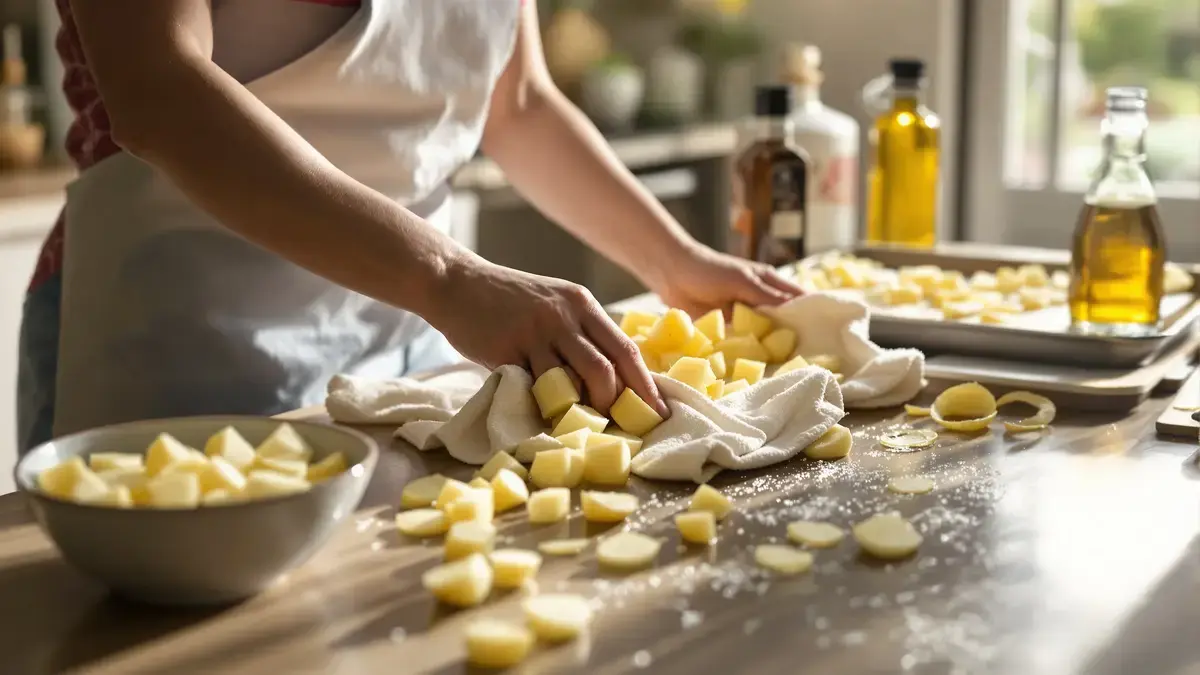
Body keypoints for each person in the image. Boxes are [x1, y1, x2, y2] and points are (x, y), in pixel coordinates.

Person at [17, 0, 802, 453]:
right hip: (170, 346)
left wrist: (674, 260)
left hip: (408, 354)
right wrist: (450, 277)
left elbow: (518, 103)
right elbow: (157, 88)